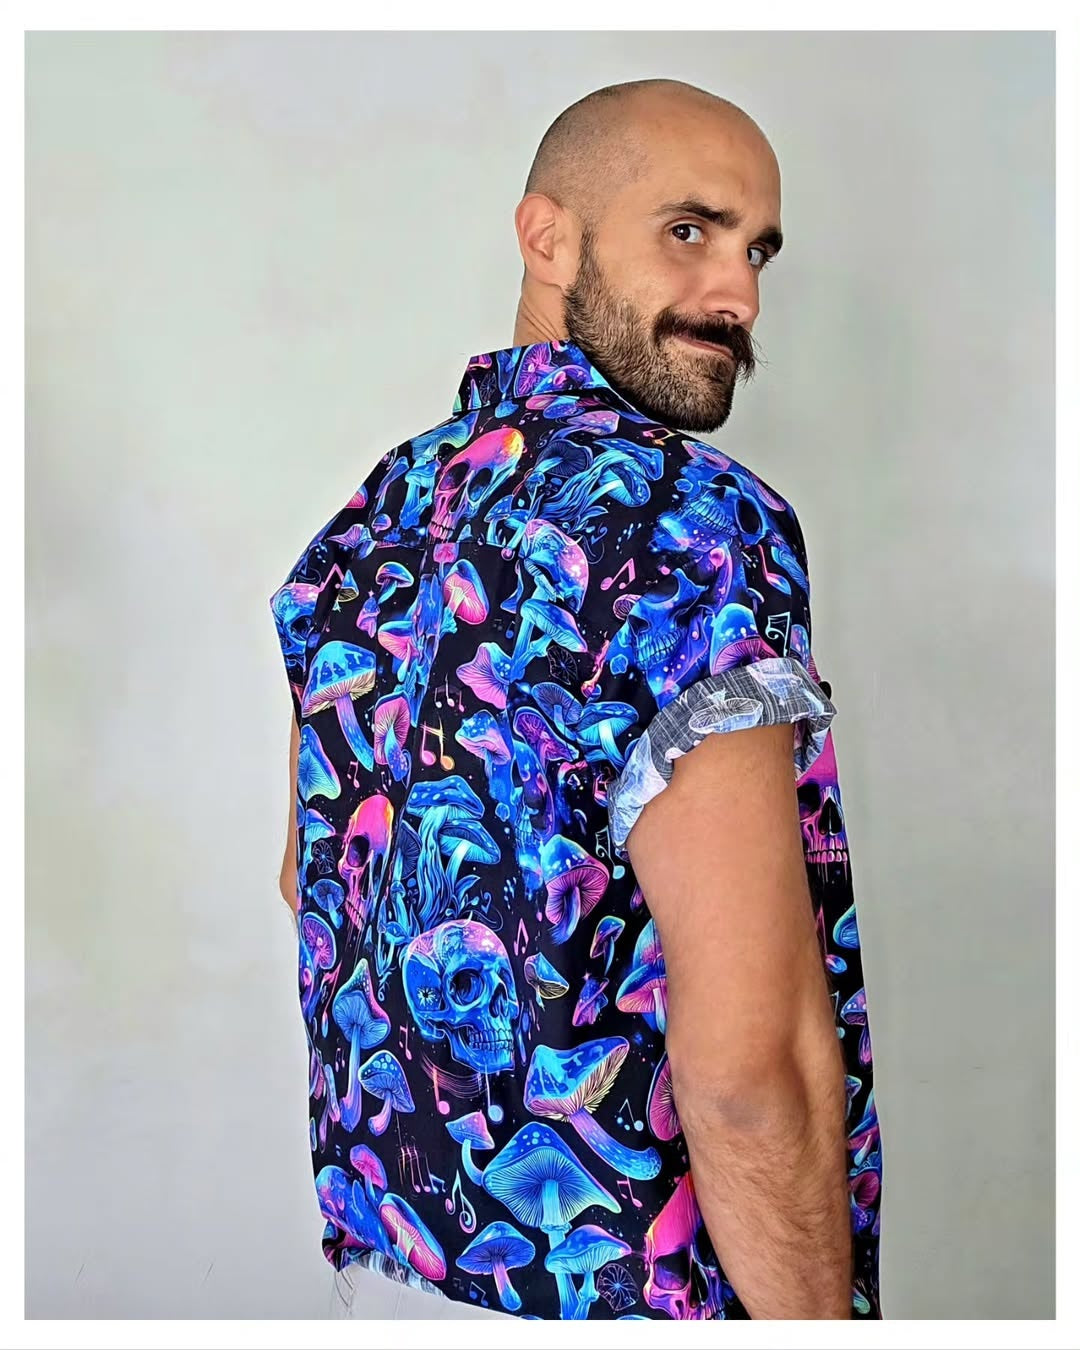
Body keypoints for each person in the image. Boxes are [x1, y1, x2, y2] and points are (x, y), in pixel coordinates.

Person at [269, 77, 882, 1322]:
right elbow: (749, 1068)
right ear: (547, 236)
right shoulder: (695, 523)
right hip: (638, 1296)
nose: (739, 295)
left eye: (757, 251)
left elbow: (307, 880)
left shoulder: (373, 518)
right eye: (690, 230)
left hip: (396, 1275)